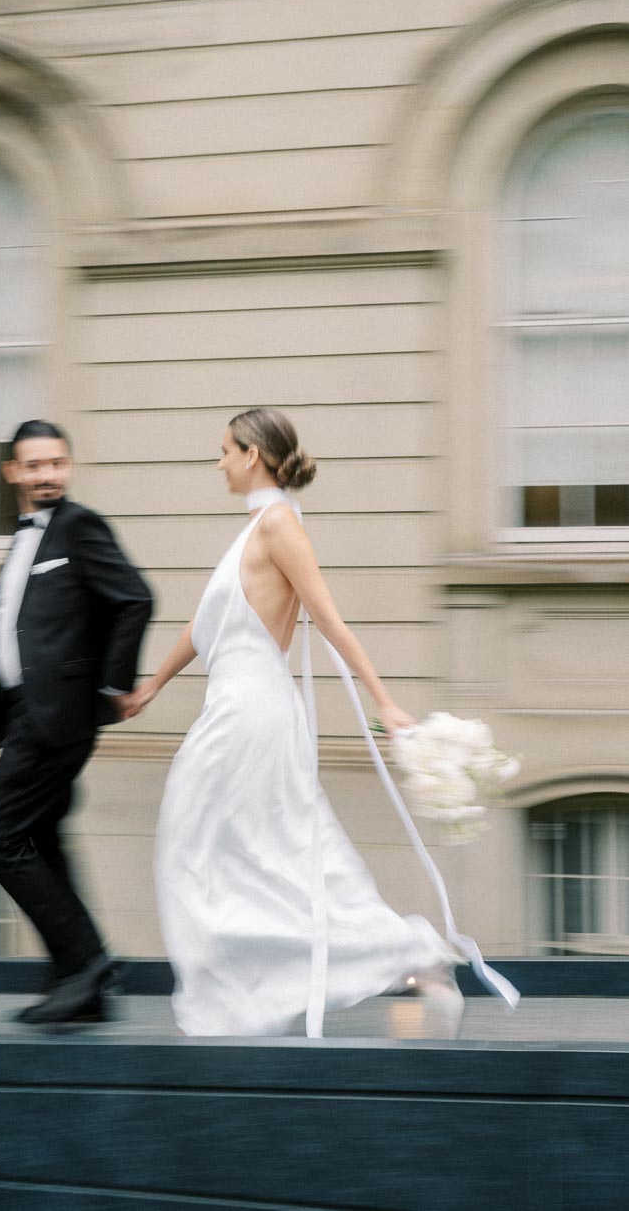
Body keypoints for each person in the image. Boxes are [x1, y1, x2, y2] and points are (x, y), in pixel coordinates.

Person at [122, 408, 463, 1039]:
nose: (219, 461)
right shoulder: (255, 528)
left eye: (224, 450)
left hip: (252, 713)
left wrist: (383, 701)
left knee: (219, 844)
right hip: (232, 707)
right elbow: (204, 627)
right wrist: (150, 688)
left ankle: (403, 956)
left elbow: (330, 621)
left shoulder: (278, 525)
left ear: (252, 454)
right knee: (247, 850)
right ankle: (259, 987)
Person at [0, 420, 153, 1024]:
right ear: (13, 472)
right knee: (41, 838)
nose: (47, 476)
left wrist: (111, 683)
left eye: (57, 464)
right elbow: (4, 633)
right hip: (19, 714)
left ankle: (87, 961)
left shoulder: (80, 526)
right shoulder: (23, 540)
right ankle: (77, 981)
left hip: (58, 715)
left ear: (68, 466)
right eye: (34, 466)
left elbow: (135, 598)